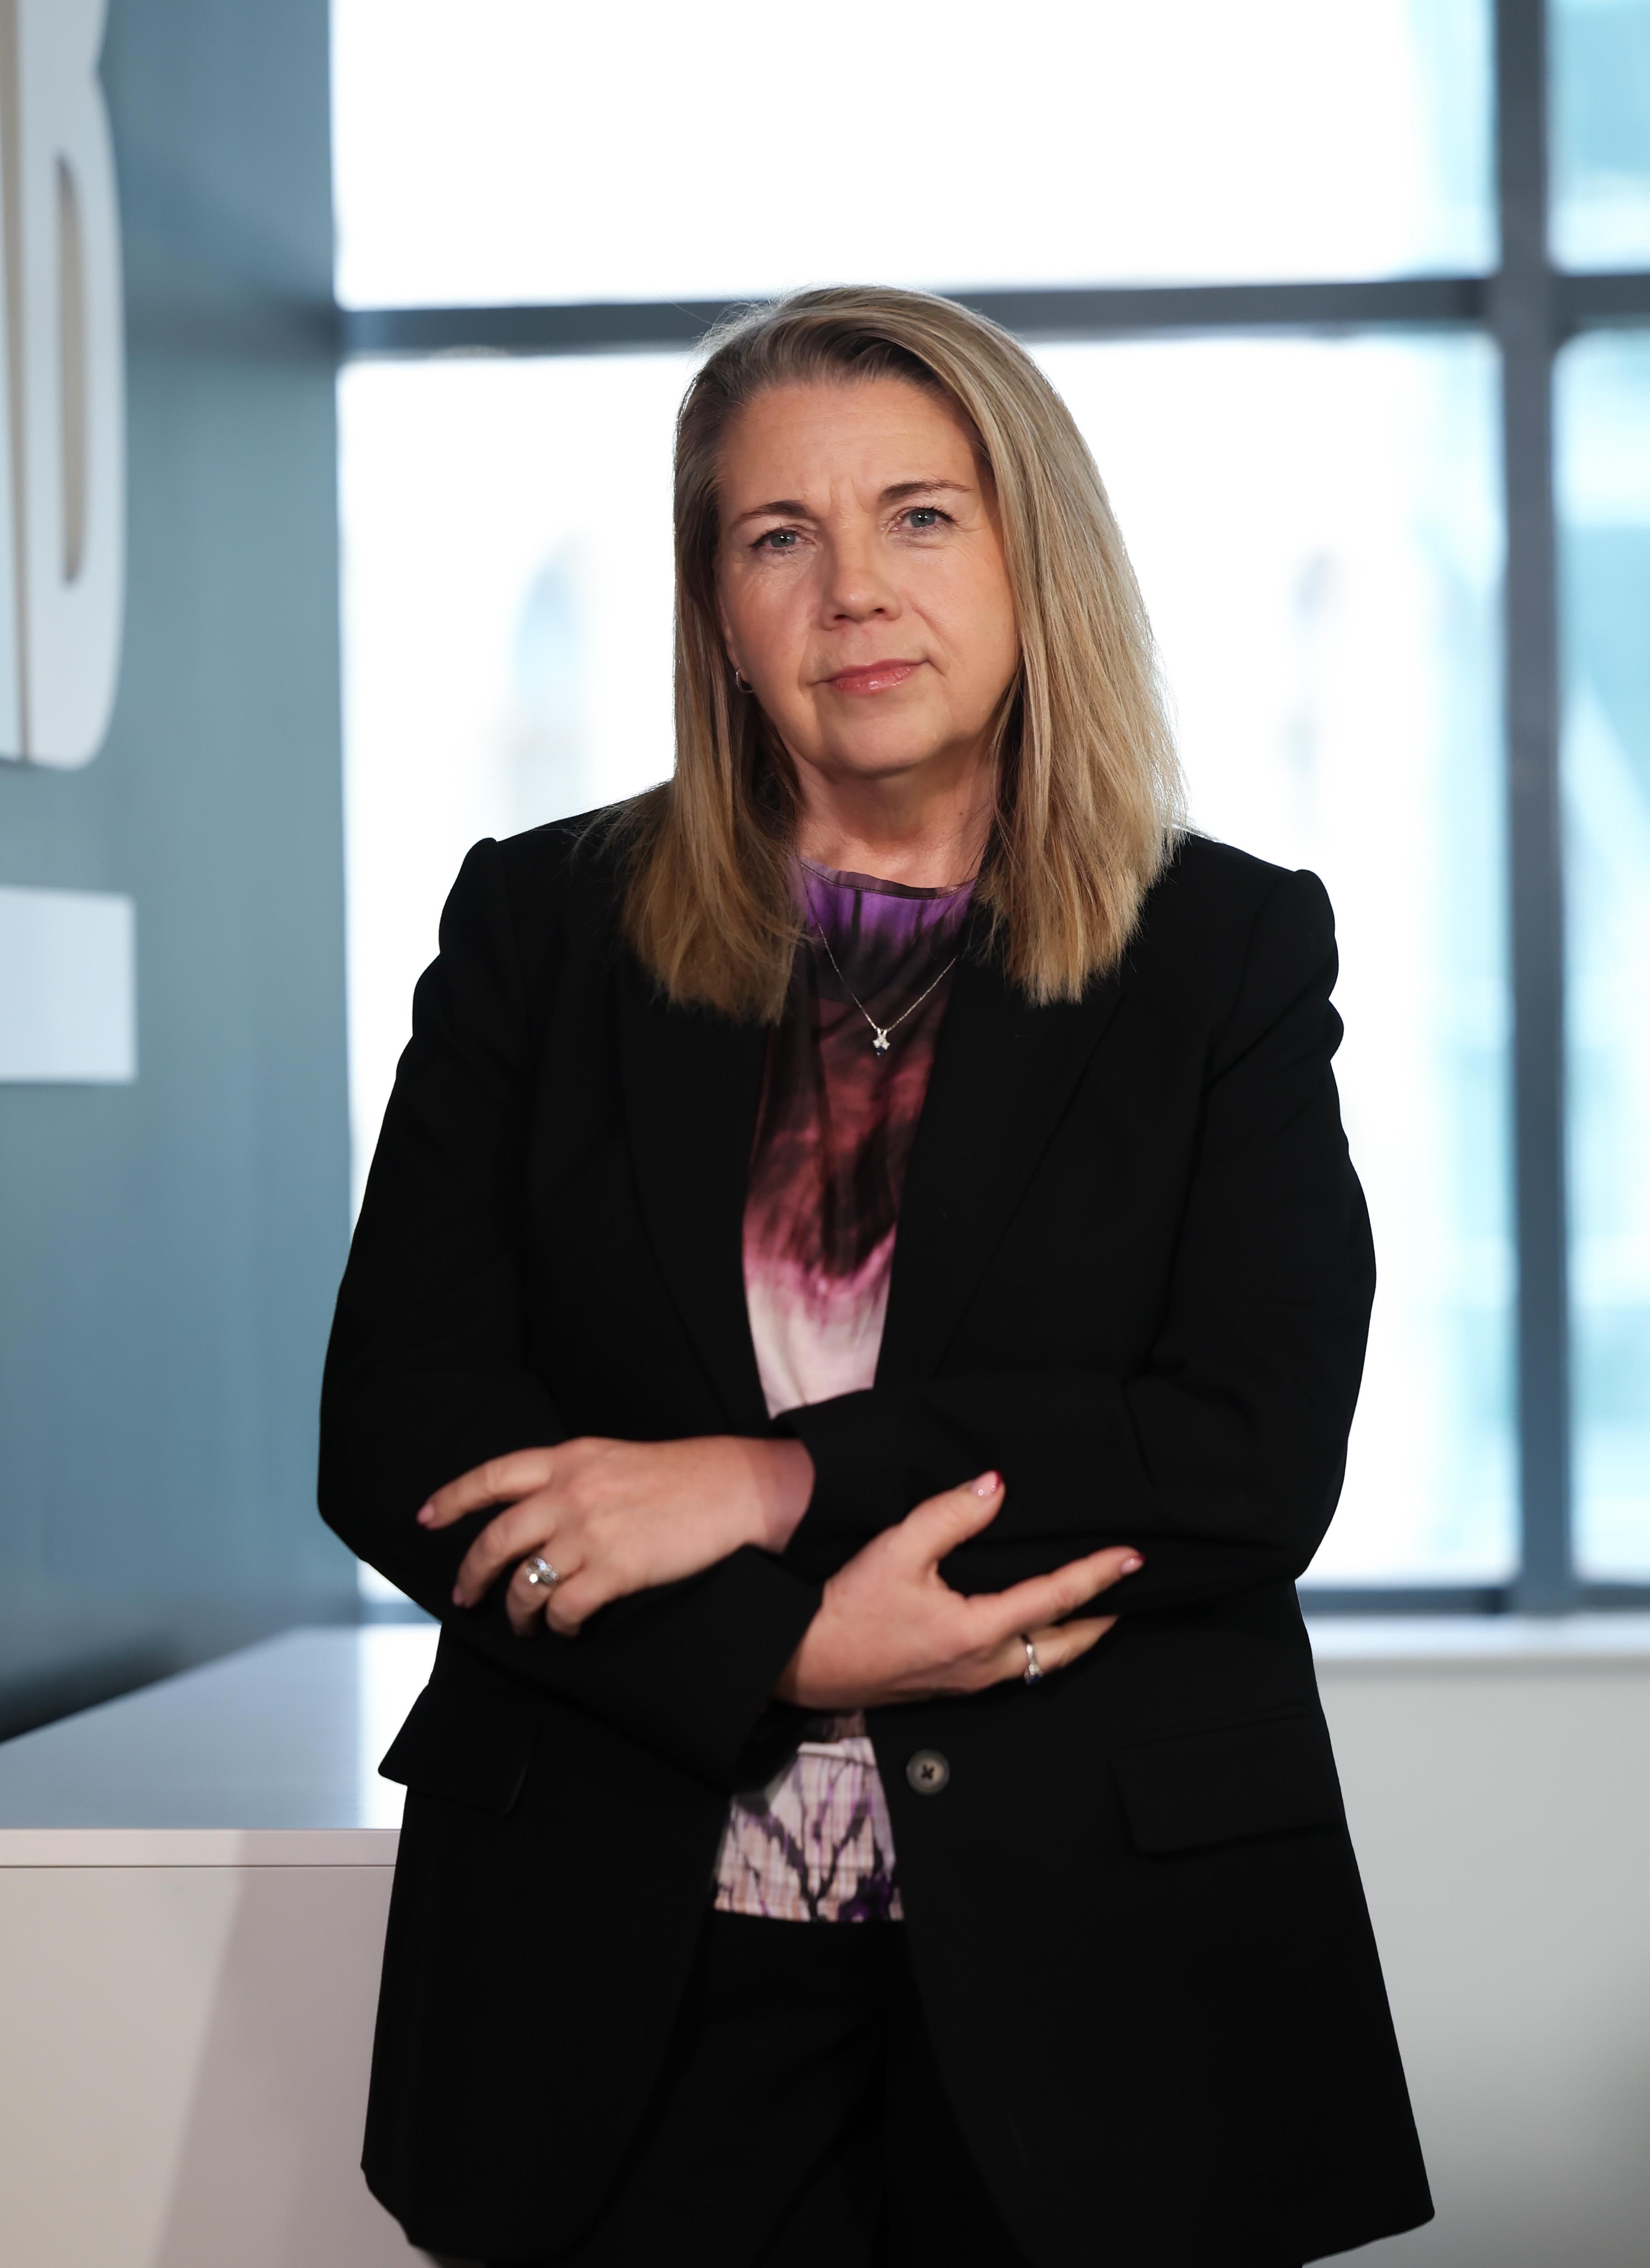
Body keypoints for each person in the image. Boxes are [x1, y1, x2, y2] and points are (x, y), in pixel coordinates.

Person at [318, 285, 1433, 2267]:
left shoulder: (1226, 952)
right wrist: (775, 1651)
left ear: (1030, 554)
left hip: (1107, 1972)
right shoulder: (540, 927)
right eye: (780, 535)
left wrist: (772, 1483)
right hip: (621, 1976)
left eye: (921, 515)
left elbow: (1247, 1450)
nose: (854, 591)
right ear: (716, 608)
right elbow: (402, 1429)